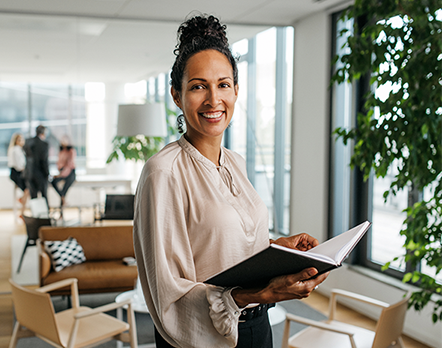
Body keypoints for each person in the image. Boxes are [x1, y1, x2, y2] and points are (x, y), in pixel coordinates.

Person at [133, 15, 328, 348]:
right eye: (198, 86)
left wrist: (279, 249)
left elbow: (232, 250)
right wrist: (259, 293)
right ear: (177, 96)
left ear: (236, 91)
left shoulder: (236, 162)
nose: (213, 100)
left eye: (223, 84)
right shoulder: (162, 172)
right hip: (202, 338)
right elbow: (168, 294)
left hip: (257, 325)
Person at [23, 125, 50, 206]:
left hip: (30, 174)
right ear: (43, 133)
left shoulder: (28, 142)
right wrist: (47, 173)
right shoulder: (44, 144)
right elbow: (44, 161)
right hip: (41, 174)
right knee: (44, 196)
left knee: (33, 197)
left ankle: (35, 216)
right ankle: (45, 216)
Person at [51, 135, 77, 209]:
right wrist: (59, 173)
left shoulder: (71, 151)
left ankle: (61, 212)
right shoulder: (61, 151)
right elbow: (59, 163)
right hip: (62, 172)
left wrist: (60, 175)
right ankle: (63, 199)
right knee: (53, 181)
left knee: (64, 191)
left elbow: (69, 165)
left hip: (70, 173)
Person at [7, 133, 30, 213]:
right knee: (28, 189)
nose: (22, 142)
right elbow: (19, 166)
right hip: (17, 173)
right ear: (16, 141)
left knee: (27, 192)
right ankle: (22, 211)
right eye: (19, 140)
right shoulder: (16, 150)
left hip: (16, 172)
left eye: (22, 139)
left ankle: (22, 212)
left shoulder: (17, 149)